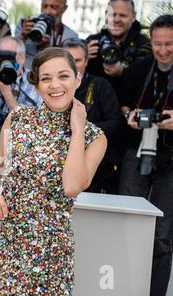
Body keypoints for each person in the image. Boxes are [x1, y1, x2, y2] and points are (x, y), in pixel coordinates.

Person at [0, 47, 107, 296]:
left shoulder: (94, 138)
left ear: (78, 79)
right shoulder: (18, 118)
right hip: (4, 241)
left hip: (50, 254)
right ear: (36, 85)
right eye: (46, 78)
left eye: (63, 76)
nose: (55, 85)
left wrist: (77, 130)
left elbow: (72, 186)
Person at [118, 15, 173, 296]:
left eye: (169, 44)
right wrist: (130, 117)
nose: (163, 50)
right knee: (127, 228)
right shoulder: (139, 69)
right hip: (136, 153)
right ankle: (120, 292)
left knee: (161, 237)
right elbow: (120, 104)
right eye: (157, 44)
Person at [0, 36, 42, 182]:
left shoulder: (34, 82)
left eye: (9, 56)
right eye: (1, 55)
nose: (5, 60)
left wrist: (6, 91)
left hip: (12, 165)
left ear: (22, 58)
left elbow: (27, 122)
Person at [62, 38, 123, 193]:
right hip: (57, 164)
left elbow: (116, 124)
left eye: (77, 60)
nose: (73, 66)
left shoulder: (100, 86)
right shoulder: (52, 88)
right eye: (68, 60)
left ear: (87, 61)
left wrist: (81, 129)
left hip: (95, 166)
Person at [86, 0, 151, 96]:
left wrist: (123, 72)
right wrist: (82, 57)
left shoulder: (145, 46)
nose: (116, 20)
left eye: (122, 15)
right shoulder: (93, 42)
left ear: (133, 17)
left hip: (128, 107)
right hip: (93, 105)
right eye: (112, 14)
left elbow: (148, 84)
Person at [15, 0, 78, 69]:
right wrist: (22, 37)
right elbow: (11, 54)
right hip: (22, 75)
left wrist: (48, 48)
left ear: (64, 9)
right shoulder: (25, 24)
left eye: (54, 7)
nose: (47, 11)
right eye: (44, 6)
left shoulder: (71, 36)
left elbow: (66, 66)